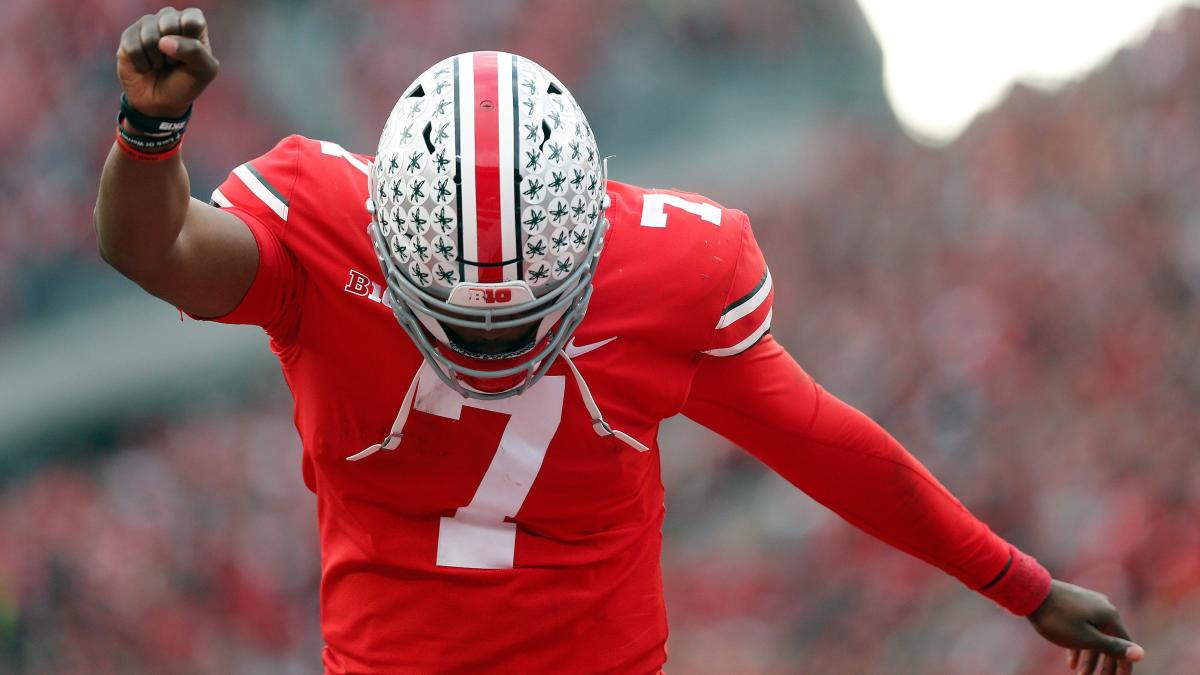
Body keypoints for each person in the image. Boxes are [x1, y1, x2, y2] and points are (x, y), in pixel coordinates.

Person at [95, 7, 1144, 675]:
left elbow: (827, 447)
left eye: (521, 314)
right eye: (462, 318)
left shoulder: (662, 278)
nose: (493, 345)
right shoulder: (323, 235)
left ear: (589, 235)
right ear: (384, 244)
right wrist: (148, 139)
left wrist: (1021, 582)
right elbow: (156, 250)